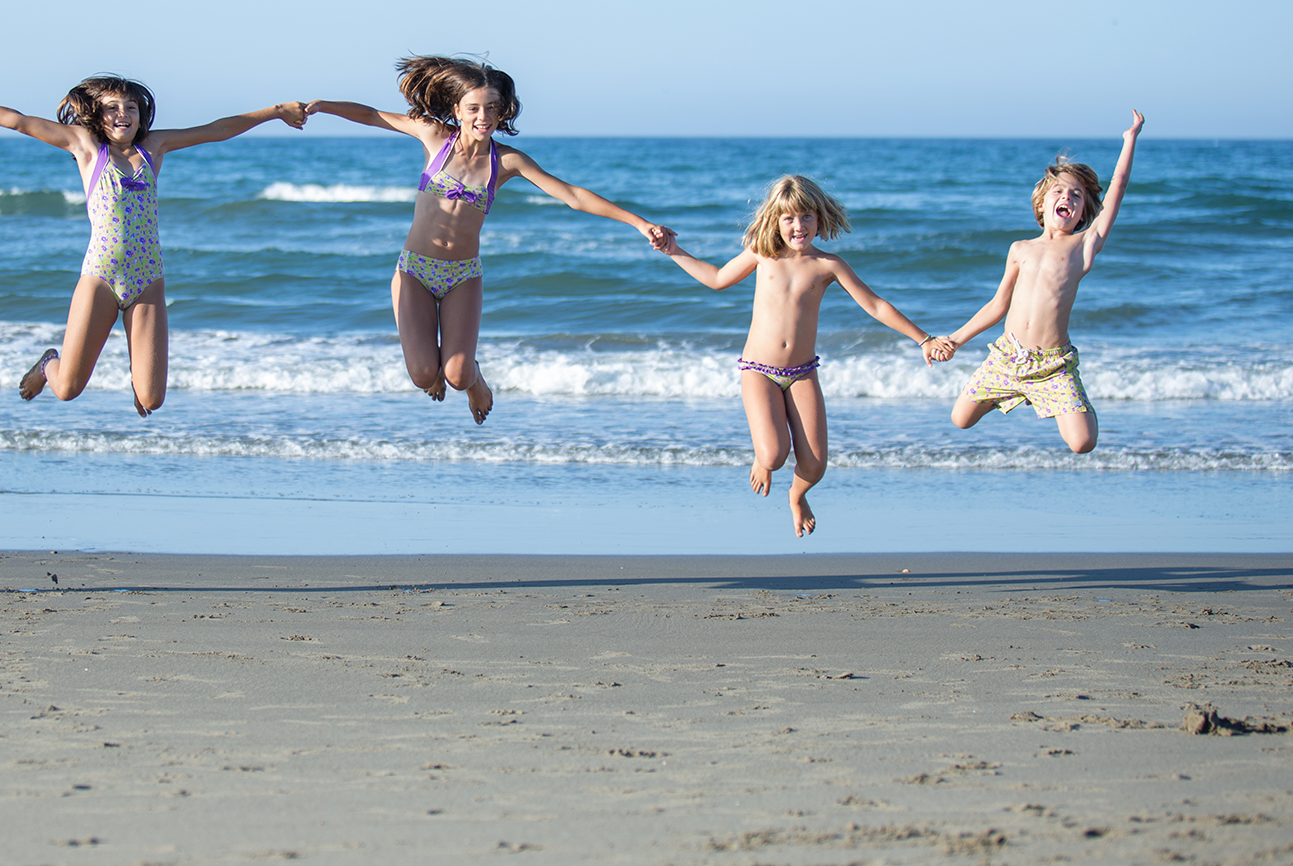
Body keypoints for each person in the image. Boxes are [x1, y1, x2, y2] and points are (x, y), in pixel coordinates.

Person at [308, 56, 669, 424]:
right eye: (474, 108)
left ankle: (474, 377)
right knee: (422, 376)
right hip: (414, 271)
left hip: (462, 275)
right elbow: (372, 115)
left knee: (458, 376)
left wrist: (639, 223)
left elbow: (572, 196)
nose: (484, 116)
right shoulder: (434, 136)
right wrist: (322, 107)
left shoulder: (507, 161)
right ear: (457, 110)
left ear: (501, 111)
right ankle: (436, 364)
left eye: (492, 108)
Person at [0, 79, 306, 414]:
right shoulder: (87, 148)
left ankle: (137, 378)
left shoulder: (153, 148)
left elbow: (217, 129)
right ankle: (48, 363)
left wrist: (275, 112)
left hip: (147, 278)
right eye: (112, 107)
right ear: (97, 114)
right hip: (100, 277)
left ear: (142, 117)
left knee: (151, 400)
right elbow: (18, 120)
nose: (122, 114)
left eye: (130, 108)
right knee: (67, 390)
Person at [658, 175, 937, 536]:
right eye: (789, 218)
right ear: (775, 221)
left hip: (803, 372)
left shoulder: (829, 266)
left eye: (806, 216)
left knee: (816, 465)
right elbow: (716, 278)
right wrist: (673, 251)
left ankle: (797, 495)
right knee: (774, 454)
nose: (798, 226)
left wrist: (923, 338)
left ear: (819, 218)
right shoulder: (763, 255)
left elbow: (876, 306)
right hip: (758, 370)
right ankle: (762, 458)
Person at [928, 111, 1145, 454]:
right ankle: (1017, 393)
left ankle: (1056, 398)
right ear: (1041, 204)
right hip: (1008, 357)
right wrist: (955, 340)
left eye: (1077, 196)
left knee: (1082, 443)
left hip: (1052, 366)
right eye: (1059, 192)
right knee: (961, 419)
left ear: (1084, 212)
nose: (1068, 199)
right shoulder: (1020, 249)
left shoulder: (1084, 246)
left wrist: (1129, 139)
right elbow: (998, 304)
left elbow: (1117, 186)